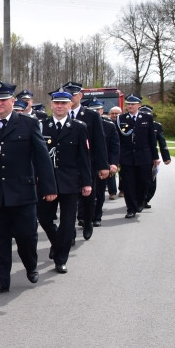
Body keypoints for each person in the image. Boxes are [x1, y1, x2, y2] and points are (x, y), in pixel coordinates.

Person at [0, 82, 56, 294]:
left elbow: (42, 158)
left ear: (12, 101)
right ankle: (0, 280)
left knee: (26, 236)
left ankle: (31, 264)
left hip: (22, 193)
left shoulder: (28, 124)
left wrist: (48, 187)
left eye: (3, 100)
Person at [37, 91, 92, 274]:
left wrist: (87, 183)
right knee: (44, 218)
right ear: (51, 105)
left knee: (68, 224)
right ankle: (57, 242)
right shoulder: (41, 126)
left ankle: (61, 259)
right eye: (56, 103)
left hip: (70, 182)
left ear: (70, 105)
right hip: (47, 182)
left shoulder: (78, 127)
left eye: (63, 103)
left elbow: (84, 158)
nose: (60, 106)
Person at [61, 82, 108, 240]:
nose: (71, 98)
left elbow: (100, 142)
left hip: (88, 164)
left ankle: (88, 221)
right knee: (69, 201)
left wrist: (103, 166)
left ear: (80, 96)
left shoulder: (91, 116)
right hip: (67, 166)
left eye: (74, 94)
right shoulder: (60, 114)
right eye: (68, 95)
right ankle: (70, 232)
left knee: (88, 197)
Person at [117, 94, 160, 218]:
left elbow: (152, 139)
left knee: (144, 181)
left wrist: (155, 157)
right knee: (128, 184)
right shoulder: (121, 118)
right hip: (127, 156)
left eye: (132, 104)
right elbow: (117, 140)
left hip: (144, 156)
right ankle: (131, 208)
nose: (130, 106)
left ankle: (141, 201)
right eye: (128, 104)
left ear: (139, 105)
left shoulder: (147, 118)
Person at [89, 100, 119, 225]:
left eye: (98, 110)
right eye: (93, 110)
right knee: (85, 192)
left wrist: (113, 163)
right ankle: (83, 217)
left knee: (100, 191)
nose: (96, 112)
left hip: (102, 164)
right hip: (86, 164)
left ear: (102, 111)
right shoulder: (82, 125)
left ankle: (97, 217)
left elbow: (114, 147)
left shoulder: (109, 125)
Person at [141, 105, 171, 207]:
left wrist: (166, 157)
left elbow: (162, 142)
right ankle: (138, 199)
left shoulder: (157, 126)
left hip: (151, 157)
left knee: (151, 180)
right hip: (137, 156)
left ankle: (146, 199)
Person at [107, 106, 123, 199]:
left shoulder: (123, 123)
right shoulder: (107, 124)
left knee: (122, 173)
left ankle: (122, 189)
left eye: (117, 113)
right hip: (111, 152)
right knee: (111, 173)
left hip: (122, 152)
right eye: (112, 113)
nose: (114, 115)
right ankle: (112, 192)